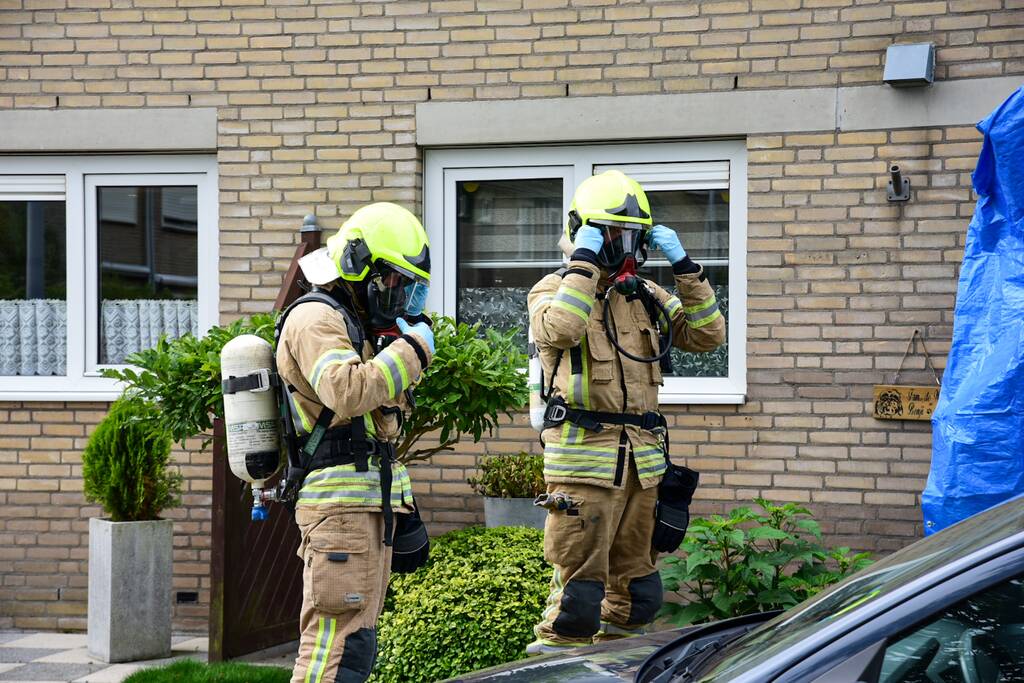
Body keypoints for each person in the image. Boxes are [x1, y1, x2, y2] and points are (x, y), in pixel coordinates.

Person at [527, 170, 726, 653]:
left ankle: (617, 667)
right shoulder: (551, 289)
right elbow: (562, 329)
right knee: (578, 601)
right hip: (584, 472)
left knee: (639, 595)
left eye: (632, 237)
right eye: (612, 234)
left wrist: (685, 266)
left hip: (644, 469)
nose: (625, 248)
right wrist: (584, 262)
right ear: (585, 231)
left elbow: (707, 335)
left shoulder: (645, 296)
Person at [276, 202, 434, 683]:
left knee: (354, 644)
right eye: (393, 282)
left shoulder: (353, 323)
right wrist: (414, 349)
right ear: (359, 266)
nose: (400, 296)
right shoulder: (315, 319)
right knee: (333, 648)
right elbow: (347, 392)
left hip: (360, 507)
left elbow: (382, 417)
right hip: (339, 512)